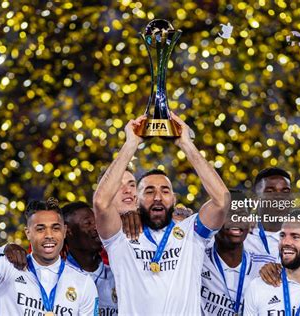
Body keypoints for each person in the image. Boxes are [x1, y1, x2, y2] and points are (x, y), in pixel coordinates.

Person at [93, 113, 230, 315]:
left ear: (174, 199)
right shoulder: (120, 236)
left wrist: (186, 144)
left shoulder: (192, 232)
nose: (157, 197)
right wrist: (131, 143)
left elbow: (222, 201)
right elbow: (101, 202)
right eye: (149, 191)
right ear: (136, 200)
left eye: (165, 191)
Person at [0, 198, 98, 315]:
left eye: (55, 228)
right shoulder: (7, 268)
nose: (49, 235)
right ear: (27, 233)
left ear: (64, 231)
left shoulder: (84, 283)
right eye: (40, 229)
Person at [245, 167, 300, 277]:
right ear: (255, 198)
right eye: (270, 191)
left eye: (285, 191)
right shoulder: (242, 235)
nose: (279, 197)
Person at [201, 193, 260, 316]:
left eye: (243, 215)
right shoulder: (198, 259)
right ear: (214, 220)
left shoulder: (265, 266)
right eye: (230, 214)